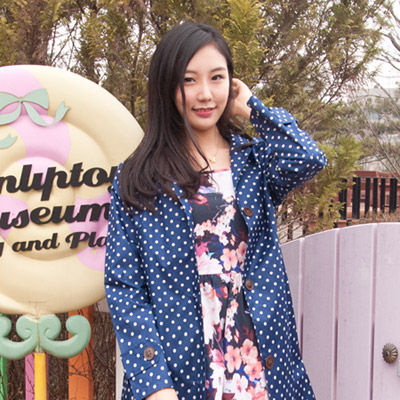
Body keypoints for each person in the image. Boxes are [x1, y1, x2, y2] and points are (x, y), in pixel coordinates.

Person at [105, 22, 326, 400]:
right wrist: (152, 382)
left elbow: (308, 158)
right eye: (188, 80)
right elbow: (125, 287)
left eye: (217, 77)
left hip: (259, 367)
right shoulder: (138, 177)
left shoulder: (253, 161)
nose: (205, 93)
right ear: (167, 86)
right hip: (180, 374)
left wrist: (253, 108)